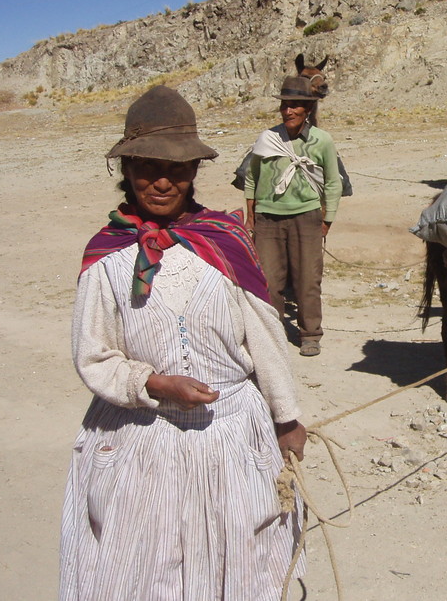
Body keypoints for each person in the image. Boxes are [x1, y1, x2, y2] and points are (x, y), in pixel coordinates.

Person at [60, 85, 307, 600]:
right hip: (142, 439)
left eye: (178, 168)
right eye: (147, 167)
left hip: (231, 437)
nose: (163, 181)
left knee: (240, 559)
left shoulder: (226, 241)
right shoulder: (106, 258)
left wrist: (285, 417)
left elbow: (264, 337)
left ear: (195, 172)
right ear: (125, 171)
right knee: (143, 571)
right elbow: (94, 354)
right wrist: (151, 382)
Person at [244, 76, 342, 357]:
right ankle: (272, 333)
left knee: (307, 279)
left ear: (307, 110)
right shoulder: (267, 139)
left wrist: (327, 220)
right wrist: (250, 215)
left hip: (307, 217)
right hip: (268, 218)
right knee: (269, 281)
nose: (289, 111)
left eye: (295, 106)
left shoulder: (322, 141)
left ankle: (310, 333)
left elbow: (333, 183)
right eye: (285, 106)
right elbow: (252, 177)